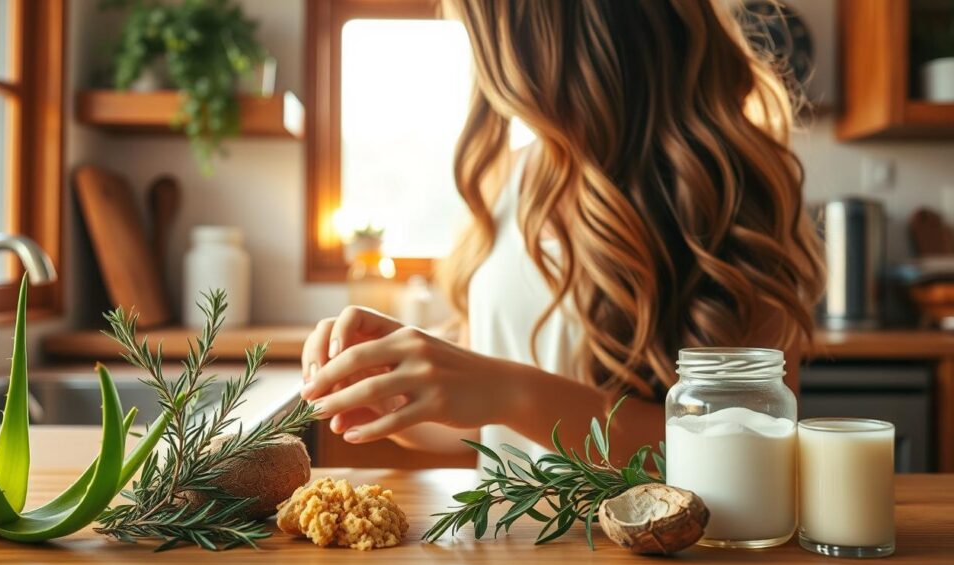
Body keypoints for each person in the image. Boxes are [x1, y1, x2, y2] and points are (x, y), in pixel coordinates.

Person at [300, 0, 824, 465]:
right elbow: (493, 432)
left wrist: (508, 391)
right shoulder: (509, 178)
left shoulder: (729, 185)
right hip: (509, 559)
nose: (484, 65)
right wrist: (403, 398)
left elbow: (748, 446)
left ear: (541, 36)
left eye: (481, 35)